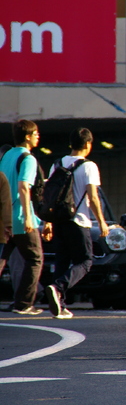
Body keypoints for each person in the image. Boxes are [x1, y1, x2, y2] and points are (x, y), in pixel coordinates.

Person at [46, 128, 109, 319]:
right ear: (88, 145)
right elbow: (93, 196)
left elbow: (49, 197)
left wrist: (48, 222)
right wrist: (102, 222)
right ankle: (58, 288)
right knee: (85, 261)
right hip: (78, 221)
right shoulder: (89, 166)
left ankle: (60, 305)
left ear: (71, 144)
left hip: (59, 221)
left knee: (62, 262)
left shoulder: (57, 164)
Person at [0, 119, 48, 315]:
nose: (38, 136)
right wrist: (29, 217)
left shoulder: (7, 156)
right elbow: (23, 186)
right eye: (36, 133)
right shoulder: (28, 159)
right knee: (35, 258)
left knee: (2, 258)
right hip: (20, 218)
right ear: (28, 137)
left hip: (4, 218)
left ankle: (20, 302)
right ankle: (23, 303)